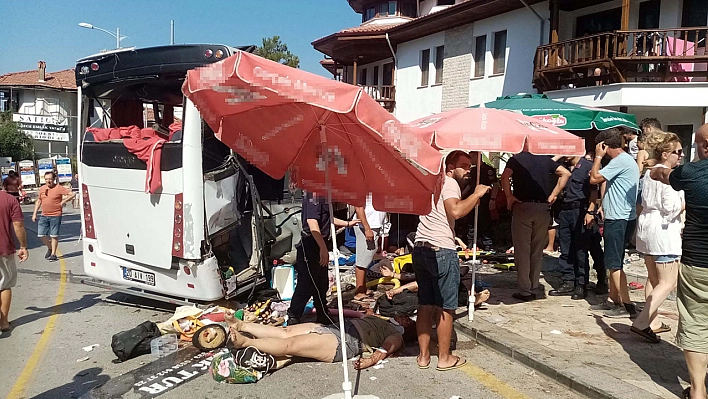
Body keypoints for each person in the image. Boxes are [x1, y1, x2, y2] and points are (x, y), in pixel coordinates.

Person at [413, 151, 490, 371]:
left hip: (421, 247)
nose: (468, 171)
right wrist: (477, 194)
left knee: (425, 304)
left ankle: (423, 356)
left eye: (469, 167)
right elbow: (455, 211)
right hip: (441, 250)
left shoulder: (432, 182)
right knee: (446, 307)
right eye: (464, 166)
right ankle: (444, 357)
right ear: (449, 167)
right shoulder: (449, 184)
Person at [649, 123, 708, 399]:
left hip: (698, 262)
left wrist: (655, 167)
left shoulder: (691, 173)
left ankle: (697, 390)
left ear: (704, 146)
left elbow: (662, 174)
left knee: (696, 322)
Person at [630, 131, 685, 343]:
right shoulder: (667, 176)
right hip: (663, 231)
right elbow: (671, 209)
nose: (680, 155)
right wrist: (687, 202)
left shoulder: (649, 173)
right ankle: (643, 321)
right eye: (677, 152)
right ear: (665, 154)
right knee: (668, 282)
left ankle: (651, 321)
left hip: (646, 228)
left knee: (654, 280)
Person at [225, 310, 416, 370]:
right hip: (338, 327)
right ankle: (242, 326)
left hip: (345, 343)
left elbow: (383, 351)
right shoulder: (379, 318)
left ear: (406, 327)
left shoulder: (396, 336)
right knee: (286, 331)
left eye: (407, 319)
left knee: (290, 345)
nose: (404, 316)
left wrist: (368, 361)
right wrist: (323, 310)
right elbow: (354, 313)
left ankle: (244, 342)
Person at [501, 147, 571, 301]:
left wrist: (509, 196)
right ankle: (533, 285)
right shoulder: (545, 159)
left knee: (522, 249)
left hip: (523, 206)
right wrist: (553, 195)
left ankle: (525, 290)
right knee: (537, 250)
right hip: (543, 207)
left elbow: (505, 176)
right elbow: (566, 173)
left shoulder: (516, 159)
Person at [589, 128, 640, 318]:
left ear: (604, 145)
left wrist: (597, 157)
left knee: (614, 263)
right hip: (624, 216)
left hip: (618, 218)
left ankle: (625, 305)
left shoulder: (620, 161)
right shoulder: (627, 161)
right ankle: (612, 299)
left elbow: (594, 178)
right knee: (615, 260)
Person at [287, 191, 357, 326]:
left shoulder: (325, 197)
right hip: (311, 243)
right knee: (306, 283)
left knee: (321, 282)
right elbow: (312, 223)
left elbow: (328, 218)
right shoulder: (314, 195)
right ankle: (294, 315)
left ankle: (322, 313)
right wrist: (323, 248)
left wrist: (347, 224)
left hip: (321, 241)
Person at [549, 154, 601, 300]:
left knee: (580, 249)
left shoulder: (587, 166)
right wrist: (558, 156)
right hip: (564, 210)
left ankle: (581, 284)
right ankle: (568, 281)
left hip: (580, 210)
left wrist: (590, 211)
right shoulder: (562, 166)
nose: (564, 154)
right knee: (565, 247)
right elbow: (546, 165)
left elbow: (593, 191)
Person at [0, 190, 29, 332]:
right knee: (5, 284)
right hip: (3, 248)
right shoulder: (10, 200)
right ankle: (4, 322)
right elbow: (18, 225)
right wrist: (23, 246)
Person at [32, 171, 75, 262]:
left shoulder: (59, 188)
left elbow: (72, 194)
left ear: (54, 179)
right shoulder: (43, 188)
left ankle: (53, 254)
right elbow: (39, 201)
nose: (48, 181)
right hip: (44, 215)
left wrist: (63, 202)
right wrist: (34, 213)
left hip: (55, 215)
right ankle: (50, 247)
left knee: (53, 235)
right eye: (46, 179)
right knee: (41, 234)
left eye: (50, 179)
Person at [353, 193, 387, 301]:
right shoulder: (363, 189)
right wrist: (367, 229)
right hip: (366, 226)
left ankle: (363, 287)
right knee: (362, 259)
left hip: (374, 225)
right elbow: (358, 208)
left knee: (367, 257)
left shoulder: (377, 188)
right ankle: (359, 292)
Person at [460, 151, 496, 250]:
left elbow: (495, 185)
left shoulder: (488, 170)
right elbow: (469, 185)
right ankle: (471, 246)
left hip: (484, 200)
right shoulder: (472, 171)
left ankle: (488, 245)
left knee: (484, 223)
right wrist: (461, 196)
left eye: (471, 157)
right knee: (471, 223)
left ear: (477, 156)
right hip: (471, 199)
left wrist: (493, 199)